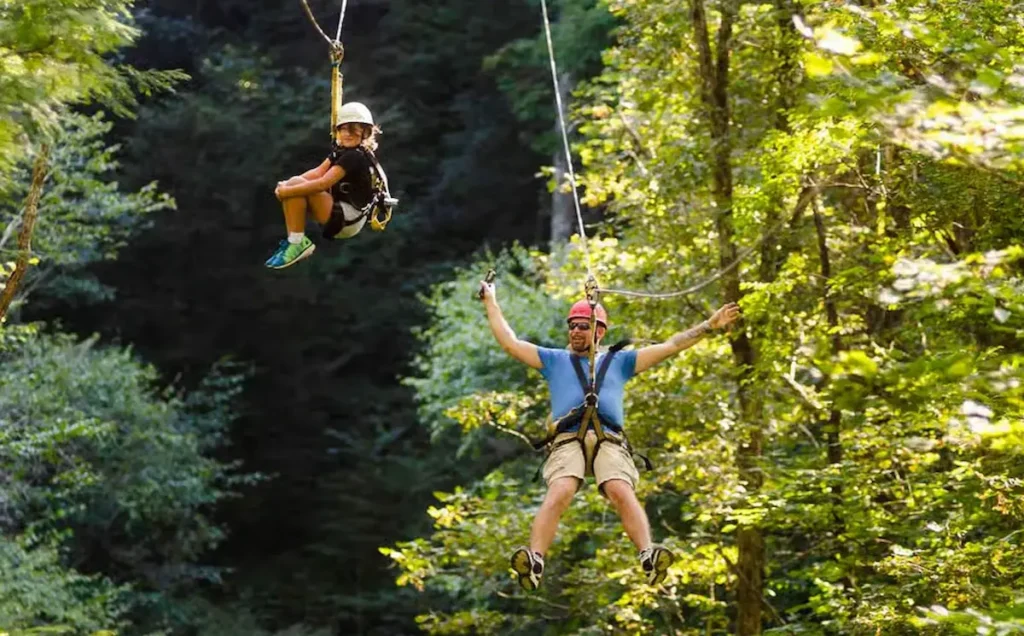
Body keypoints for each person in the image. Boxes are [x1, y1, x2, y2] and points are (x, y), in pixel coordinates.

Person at [479, 281, 741, 589]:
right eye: (572, 326)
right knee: (560, 490)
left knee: (620, 489)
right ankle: (535, 560)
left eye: (582, 326)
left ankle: (648, 554)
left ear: (599, 331)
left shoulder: (621, 362)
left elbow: (671, 346)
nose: (575, 331)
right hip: (568, 438)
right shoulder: (553, 360)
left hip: (610, 440)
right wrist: (491, 301)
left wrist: (709, 325)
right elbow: (510, 343)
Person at [265, 102, 381, 269]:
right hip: (341, 214)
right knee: (295, 185)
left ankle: (297, 242)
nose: (347, 134)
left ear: (365, 132)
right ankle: (295, 242)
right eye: (343, 129)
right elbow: (318, 172)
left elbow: (322, 183)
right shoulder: (342, 152)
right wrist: (287, 184)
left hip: (347, 219)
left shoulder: (354, 157)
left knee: (294, 189)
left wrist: (286, 191)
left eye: (353, 129)